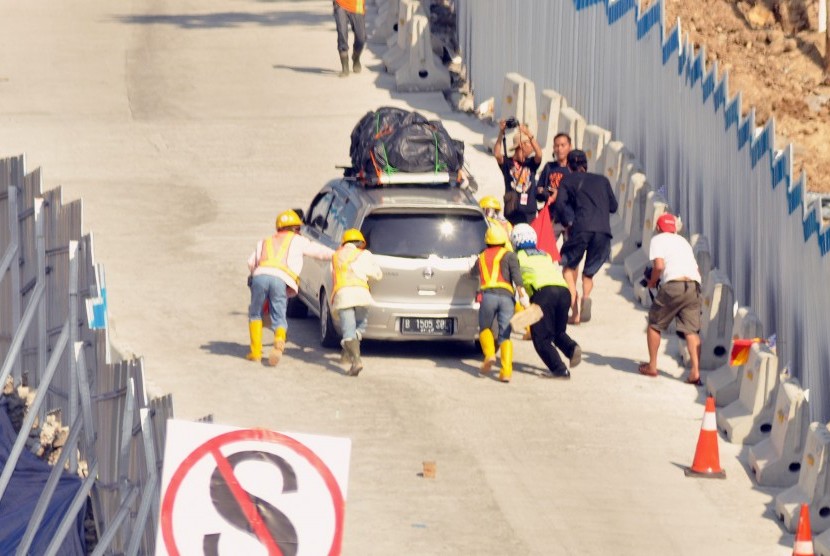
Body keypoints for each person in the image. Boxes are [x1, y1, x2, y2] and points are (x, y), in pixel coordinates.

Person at [246, 210, 334, 366]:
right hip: (281, 278)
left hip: (260, 276)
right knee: (279, 314)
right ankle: (279, 343)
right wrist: (338, 254)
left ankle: (255, 352)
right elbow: (319, 252)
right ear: (295, 229)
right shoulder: (299, 241)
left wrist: (257, 275)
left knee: (255, 314)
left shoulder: (264, 241)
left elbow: (251, 262)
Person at [639, 213, 704, 385]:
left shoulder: (658, 239)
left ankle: (652, 366)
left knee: (654, 324)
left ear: (658, 228)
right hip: (693, 285)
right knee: (691, 331)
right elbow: (696, 269)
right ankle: (695, 372)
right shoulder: (683, 242)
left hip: (673, 285)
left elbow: (659, 266)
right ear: (674, 229)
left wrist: (652, 282)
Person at [510, 224, 581, 379]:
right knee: (558, 332)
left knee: (541, 338)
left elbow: (518, 284)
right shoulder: (544, 254)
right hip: (563, 292)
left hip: (544, 293)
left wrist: (524, 305)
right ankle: (572, 348)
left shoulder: (516, 258)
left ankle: (559, 369)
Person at [557, 149, 618, 324]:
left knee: (568, 268)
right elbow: (613, 207)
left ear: (569, 165)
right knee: (588, 274)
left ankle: (574, 306)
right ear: (586, 164)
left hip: (581, 228)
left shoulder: (567, 180)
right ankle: (586, 297)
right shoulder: (602, 180)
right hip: (603, 231)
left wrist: (568, 222)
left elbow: (561, 205)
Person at [470, 225, 528, 382]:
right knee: (505, 335)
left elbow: (472, 274)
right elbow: (518, 279)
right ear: (504, 240)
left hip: (488, 296)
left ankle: (489, 355)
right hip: (507, 298)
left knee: (485, 327)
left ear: (487, 241)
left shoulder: (481, 257)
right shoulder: (510, 256)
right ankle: (506, 371)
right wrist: (523, 298)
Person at [331, 228, 383, 377]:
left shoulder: (335, 256)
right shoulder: (365, 254)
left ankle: (356, 361)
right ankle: (347, 354)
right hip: (362, 295)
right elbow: (377, 274)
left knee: (348, 331)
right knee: (358, 326)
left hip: (344, 296)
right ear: (361, 243)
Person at [493, 120, 543, 226]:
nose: (532, 147)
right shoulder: (508, 163)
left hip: (529, 214)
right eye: (529, 144)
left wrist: (529, 135)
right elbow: (497, 154)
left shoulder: (531, 163)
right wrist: (501, 133)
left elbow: (539, 154)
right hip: (512, 213)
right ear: (522, 145)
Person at [537, 133, 573, 241]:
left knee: (569, 255)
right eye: (556, 146)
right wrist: (548, 192)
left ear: (570, 147)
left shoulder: (574, 169)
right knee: (545, 252)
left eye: (563, 145)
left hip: (570, 218)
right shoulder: (549, 167)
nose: (559, 149)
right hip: (551, 218)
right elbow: (539, 189)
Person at [333, 0, 366, 78]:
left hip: (357, 4)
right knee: (342, 33)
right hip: (340, 4)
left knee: (361, 38)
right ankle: (345, 67)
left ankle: (356, 57)